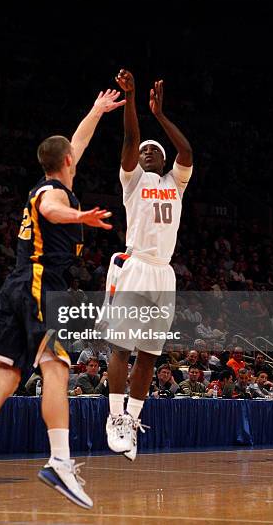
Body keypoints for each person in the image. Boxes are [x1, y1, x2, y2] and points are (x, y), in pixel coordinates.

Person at [0, 88, 125, 509]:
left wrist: (97, 110)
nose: (77, 156)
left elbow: (76, 142)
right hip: (41, 286)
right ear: (67, 163)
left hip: (16, 286)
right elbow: (51, 209)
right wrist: (78, 216)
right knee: (57, 370)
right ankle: (60, 461)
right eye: (74, 155)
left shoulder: (48, 178)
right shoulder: (54, 194)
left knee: (8, 377)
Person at [103, 69, 193, 461]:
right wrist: (135, 98)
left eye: (153, 150)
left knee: (151, 353)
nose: (147, 152)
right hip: (137, 264)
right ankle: (114, 417)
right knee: (122, 347)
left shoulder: (176, 181)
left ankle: (133, 422)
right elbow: (128, 138)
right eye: (144, 152)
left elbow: (187, 151)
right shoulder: (133, 181)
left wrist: (161, 116)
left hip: (164, 272)